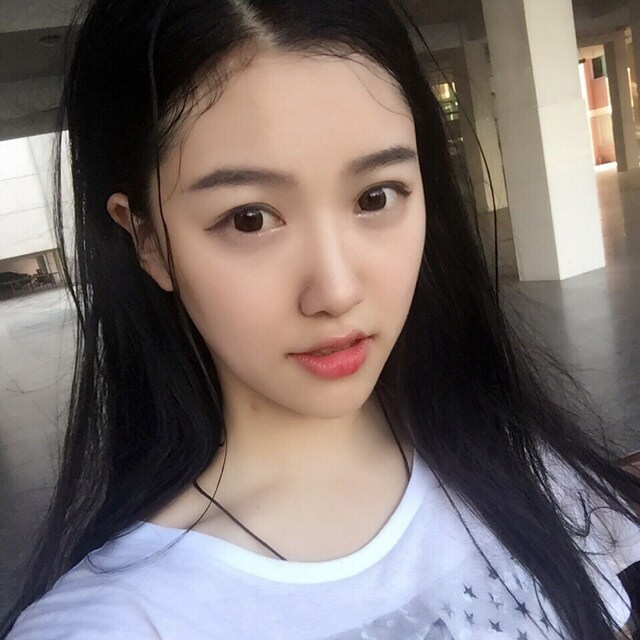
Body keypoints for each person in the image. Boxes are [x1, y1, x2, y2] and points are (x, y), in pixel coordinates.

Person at [1, 1, 639, 638]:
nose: (335, 291)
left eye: (375, 197)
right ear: (147, 240)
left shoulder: (526, 464)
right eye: (249, 218)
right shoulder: (116, 622)